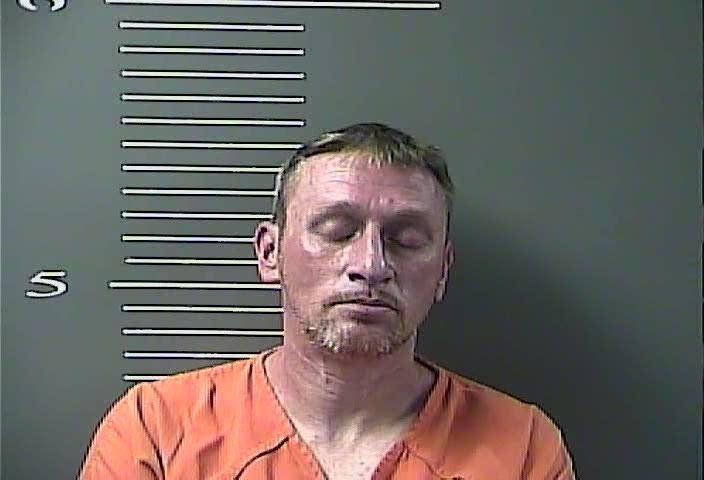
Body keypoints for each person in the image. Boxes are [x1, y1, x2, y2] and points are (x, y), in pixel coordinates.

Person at [77, 122, 576, 479]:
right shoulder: (157, 429)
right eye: (337, 231)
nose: (372, 264)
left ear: (442, 270)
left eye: (406, 239)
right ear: (270, 253)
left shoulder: (522, 446)